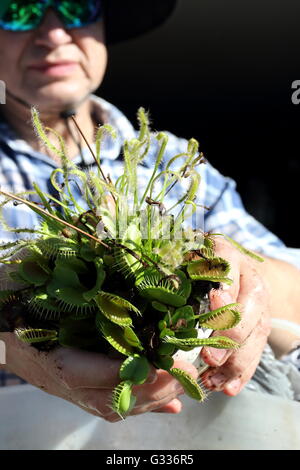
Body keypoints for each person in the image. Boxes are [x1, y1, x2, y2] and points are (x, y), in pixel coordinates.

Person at [0, 0, 299, 422]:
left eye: (76, 7)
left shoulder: (175, 162)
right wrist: (7, 341)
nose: (53, 34)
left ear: (102, 25)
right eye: (18, 9)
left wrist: (246, 282)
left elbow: (295, 282)